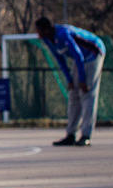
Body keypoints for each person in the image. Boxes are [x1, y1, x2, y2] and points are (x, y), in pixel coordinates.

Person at [34, 16, 105, 146]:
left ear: (46, 29)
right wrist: (70, 80)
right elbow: (59, 59)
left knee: (87, 94)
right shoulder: (48, 39)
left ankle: (85, 135)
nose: (37, 34)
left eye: (39, 31)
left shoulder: (63, 34)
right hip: (80, 59)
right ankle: (70, 134)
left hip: (93, 54)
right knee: (73, 95)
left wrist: (82, 80)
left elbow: (78, 55)